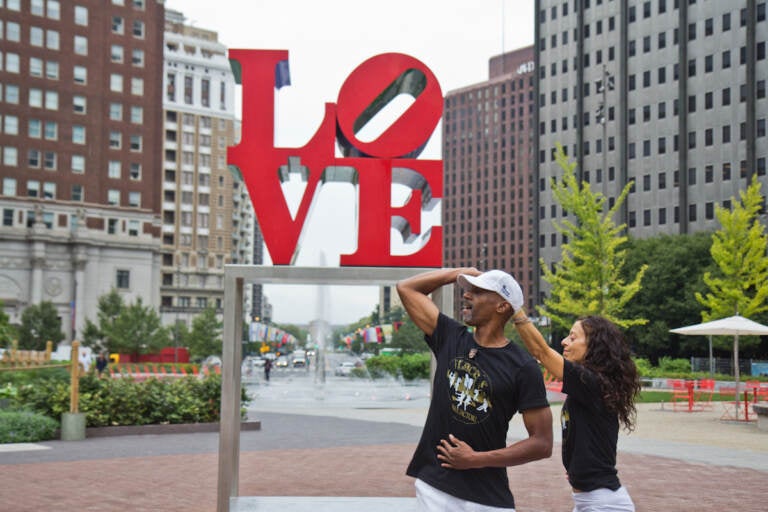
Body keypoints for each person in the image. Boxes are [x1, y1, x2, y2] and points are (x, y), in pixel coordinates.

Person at [396, 267, 553, 511]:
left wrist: (475, 460)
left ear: (501, 306)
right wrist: (458, 272)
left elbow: (542, 443)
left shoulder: (522, 367)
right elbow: (406, 288)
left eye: (478, 292)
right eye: (468, 290)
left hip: (487, 498)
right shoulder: (451, 337)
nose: (467, 296)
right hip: (434, 487)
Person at [512, 297, 640, 511]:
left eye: (573, 337)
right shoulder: (590, 385)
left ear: (595, 346)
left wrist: (515, 310)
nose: (564, 341)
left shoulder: (592, 383)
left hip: (603, 504)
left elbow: (541, 351)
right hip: (591, 501)